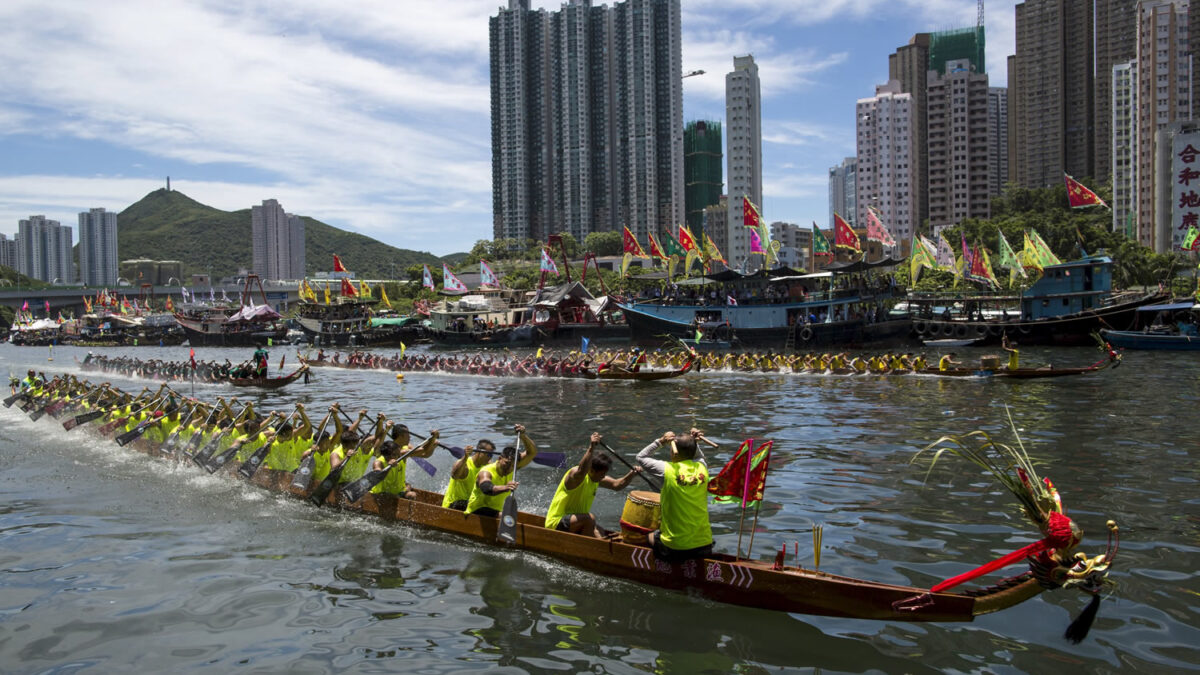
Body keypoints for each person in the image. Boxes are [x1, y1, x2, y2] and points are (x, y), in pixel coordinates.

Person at [543, 432, 641, 538]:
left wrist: (632, 474)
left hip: (574, 523)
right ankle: (589, 547)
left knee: (600, 530)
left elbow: (617, 485)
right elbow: (581, 470)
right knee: (589, 519)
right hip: (555, 523)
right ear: (592, 470)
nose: (603, 477)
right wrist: (591, 447)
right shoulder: (576, 476)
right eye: (602, 474)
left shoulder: (596, 479)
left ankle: (600, 547)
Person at [636, 429, 713, 562]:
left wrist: (661, 441)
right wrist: (693, 441)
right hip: (705, 544)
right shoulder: (702, 467)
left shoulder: (666, 470)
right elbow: (697, 456)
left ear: (673, 452)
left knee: (647, 535)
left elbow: (640, 457)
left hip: (675, 548)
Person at [465, 424, 538, 517]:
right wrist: (506, 487)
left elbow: (532, 452)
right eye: (506, 463)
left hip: (494, 511)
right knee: (505, 516)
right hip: (476, 511)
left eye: (512, 466)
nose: (509, 468)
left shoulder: (512, 466)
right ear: (500, 458)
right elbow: (486, 488)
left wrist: (523, 435)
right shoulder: (486, 471)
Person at [369, 424, 439, 500]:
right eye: (408, 434)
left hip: (396, 491)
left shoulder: (406, 448)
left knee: (409, 488)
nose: (410, 436)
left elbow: (425, 453)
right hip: (382, 494)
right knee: (408, 492)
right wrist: (432, 439)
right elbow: (376, 474)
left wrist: (432, 442)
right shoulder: (391, 453)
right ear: (401, 435)